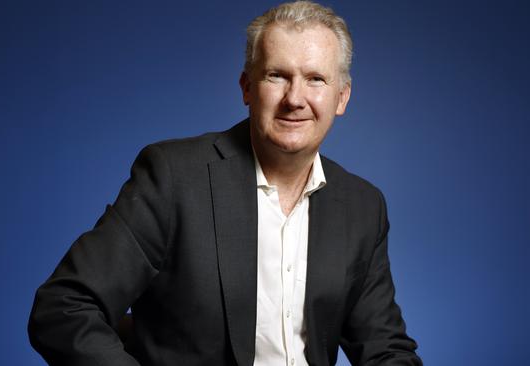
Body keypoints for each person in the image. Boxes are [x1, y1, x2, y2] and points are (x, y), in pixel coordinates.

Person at [28, 1, 422, 365]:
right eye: (276, 76)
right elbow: (64, 307)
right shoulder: (173, 177)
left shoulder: (362, 206)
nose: (295, 98)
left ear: (342, 97)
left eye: (316, 78)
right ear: (247, 88)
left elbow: (385, 349)